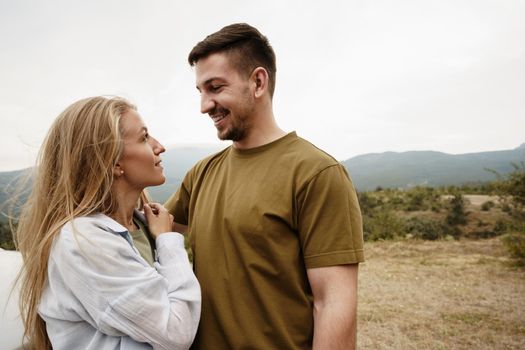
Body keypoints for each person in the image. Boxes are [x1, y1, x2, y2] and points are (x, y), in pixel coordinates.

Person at [164, 23, 364, 349]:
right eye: (200, 91)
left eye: (215, 87)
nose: (204, 105)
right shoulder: (200, 174)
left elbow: (333, 303)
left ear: (258, 82)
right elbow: (145, 229)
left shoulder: (317, 173)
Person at [15, 96, 201, 350]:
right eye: (145, 138)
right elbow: (176, 331)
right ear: (113, 163)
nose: (159, 147)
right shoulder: (83, 240)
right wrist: (168, 242)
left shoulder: (143, 226)